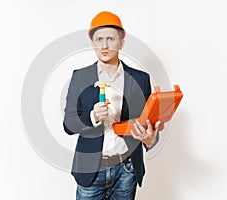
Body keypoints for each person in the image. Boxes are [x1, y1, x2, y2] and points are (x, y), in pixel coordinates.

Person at [63, 11, 164, 200]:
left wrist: (150, 140)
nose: (104, 45)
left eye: (110, 38)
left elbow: (149, 124)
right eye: (99, 39)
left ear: (121, 41)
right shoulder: (80, 77)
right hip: (91, 170)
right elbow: (68, 124)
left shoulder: (140, 80)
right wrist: (92, 117)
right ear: (92, 42)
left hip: (127, 169)